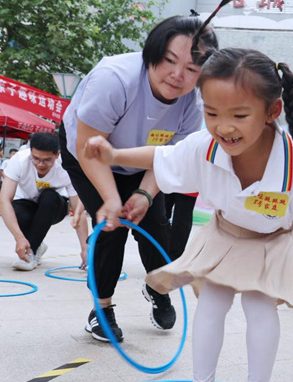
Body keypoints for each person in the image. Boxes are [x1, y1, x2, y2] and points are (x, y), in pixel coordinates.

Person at [84, 45, 293, 382]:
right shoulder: (204, 145)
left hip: (273, 242)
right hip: (225, 234)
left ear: (272, 111)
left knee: (259, 306)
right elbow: (163, 156)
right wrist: (114, 153)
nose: (224, 127)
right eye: (211, 113)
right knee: (212, 303)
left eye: (239, 115)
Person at [60, 15, 219, 342]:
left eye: (191, 68)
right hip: (87, 153)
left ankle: (157, 289)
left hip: (143, 162)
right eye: (169, 61)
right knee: (111, 227)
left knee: (156, 226)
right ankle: (101, 309)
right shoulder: (114, 79)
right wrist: (110, 198)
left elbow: (170, 157)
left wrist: (145, 194)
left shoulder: (194, 102)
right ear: (151, 53)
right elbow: (89, 147)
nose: (178, 75)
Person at [0, 133, 84, 271]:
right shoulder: (19, 160)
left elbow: (78, 208)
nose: (40, 164)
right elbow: (4, 201)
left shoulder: (67, 166)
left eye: (47, 160)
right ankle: (36, 246)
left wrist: (85, 248)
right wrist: (19, 238)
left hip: (54, 206)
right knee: (17, 211)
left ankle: (31, 252)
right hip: (27, 203)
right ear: (30, 152)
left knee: (49, 196)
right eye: (36, 159)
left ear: (57, 155)